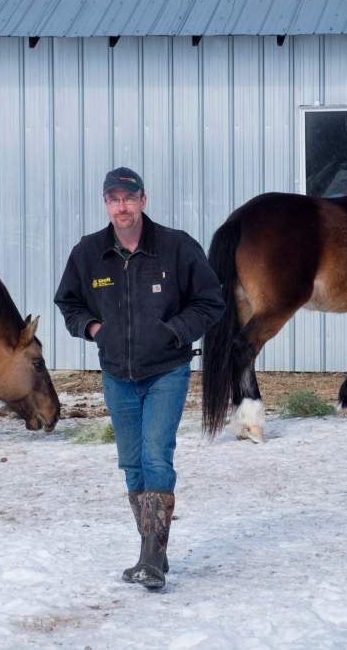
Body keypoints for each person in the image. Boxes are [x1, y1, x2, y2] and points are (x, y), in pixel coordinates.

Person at [54, 167, 224, 591]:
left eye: (129, 198)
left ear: (143, 200)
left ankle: (150, 556)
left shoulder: (176, 247)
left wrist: (175, 332)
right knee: (131, 463)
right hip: (117, 375)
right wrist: (94, 329)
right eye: (114, 199)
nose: (122, 207)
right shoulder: (89, 253)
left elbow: (210, 301)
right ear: (106, 204)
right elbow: (68, 302)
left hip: (166, 371)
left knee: (154, 456)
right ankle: (155, 552)